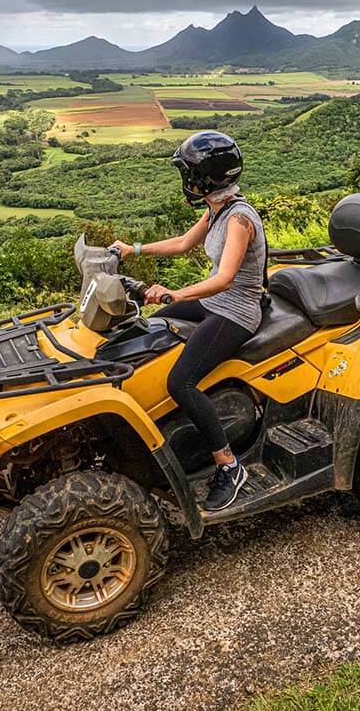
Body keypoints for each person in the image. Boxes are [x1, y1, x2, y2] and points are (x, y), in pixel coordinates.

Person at [109, 131, 266, 511]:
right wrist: (134, 249)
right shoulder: (217, 210)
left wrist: (177, 293)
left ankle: (228, 464)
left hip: (237, 310)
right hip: (216, 301)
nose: (186, 181)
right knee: (156, 325)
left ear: (206, 178)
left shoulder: (239, 219)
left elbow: (226, 277)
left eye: (190, 174)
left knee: (181, 381)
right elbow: (182, 243)